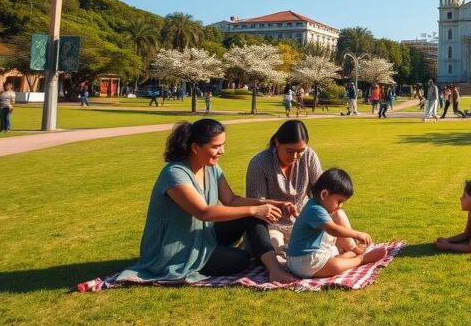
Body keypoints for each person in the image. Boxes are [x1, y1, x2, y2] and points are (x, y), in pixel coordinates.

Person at [117, 119, 296, 284]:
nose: (222, 151)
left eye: (223, 145)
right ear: (195, 148)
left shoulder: (212, 169)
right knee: (240, 259)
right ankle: (207, 259)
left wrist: (271, 204)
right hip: (173, 250)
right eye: (216, 146)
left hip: (202, 237)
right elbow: (202, 212)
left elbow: (231, 200)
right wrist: (254, 210)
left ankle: (274, 269)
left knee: (253, 215)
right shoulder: (174, 174)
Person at [246, 120, 359, 257]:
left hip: (304, 221)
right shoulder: (259, 163)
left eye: (300, 151)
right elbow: (256, 204)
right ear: (277, 142)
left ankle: (351, 250)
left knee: (338, 214)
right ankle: (330, 255)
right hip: (273, 225)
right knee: (277, 255)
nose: (295, 156)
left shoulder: (309, 156)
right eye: (290, 151)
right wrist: (281, 207)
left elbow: (323, 190)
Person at [285, 168, 388, 278]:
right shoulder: (315, 210)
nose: (340, 206)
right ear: (324, 194)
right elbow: (333, 229)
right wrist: (357, 234)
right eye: (339, 201)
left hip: (304, 259)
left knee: (334, 251)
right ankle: (361, 259)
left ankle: (351, 253)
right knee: (336, 266)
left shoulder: (314, 205)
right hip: (304, 262)